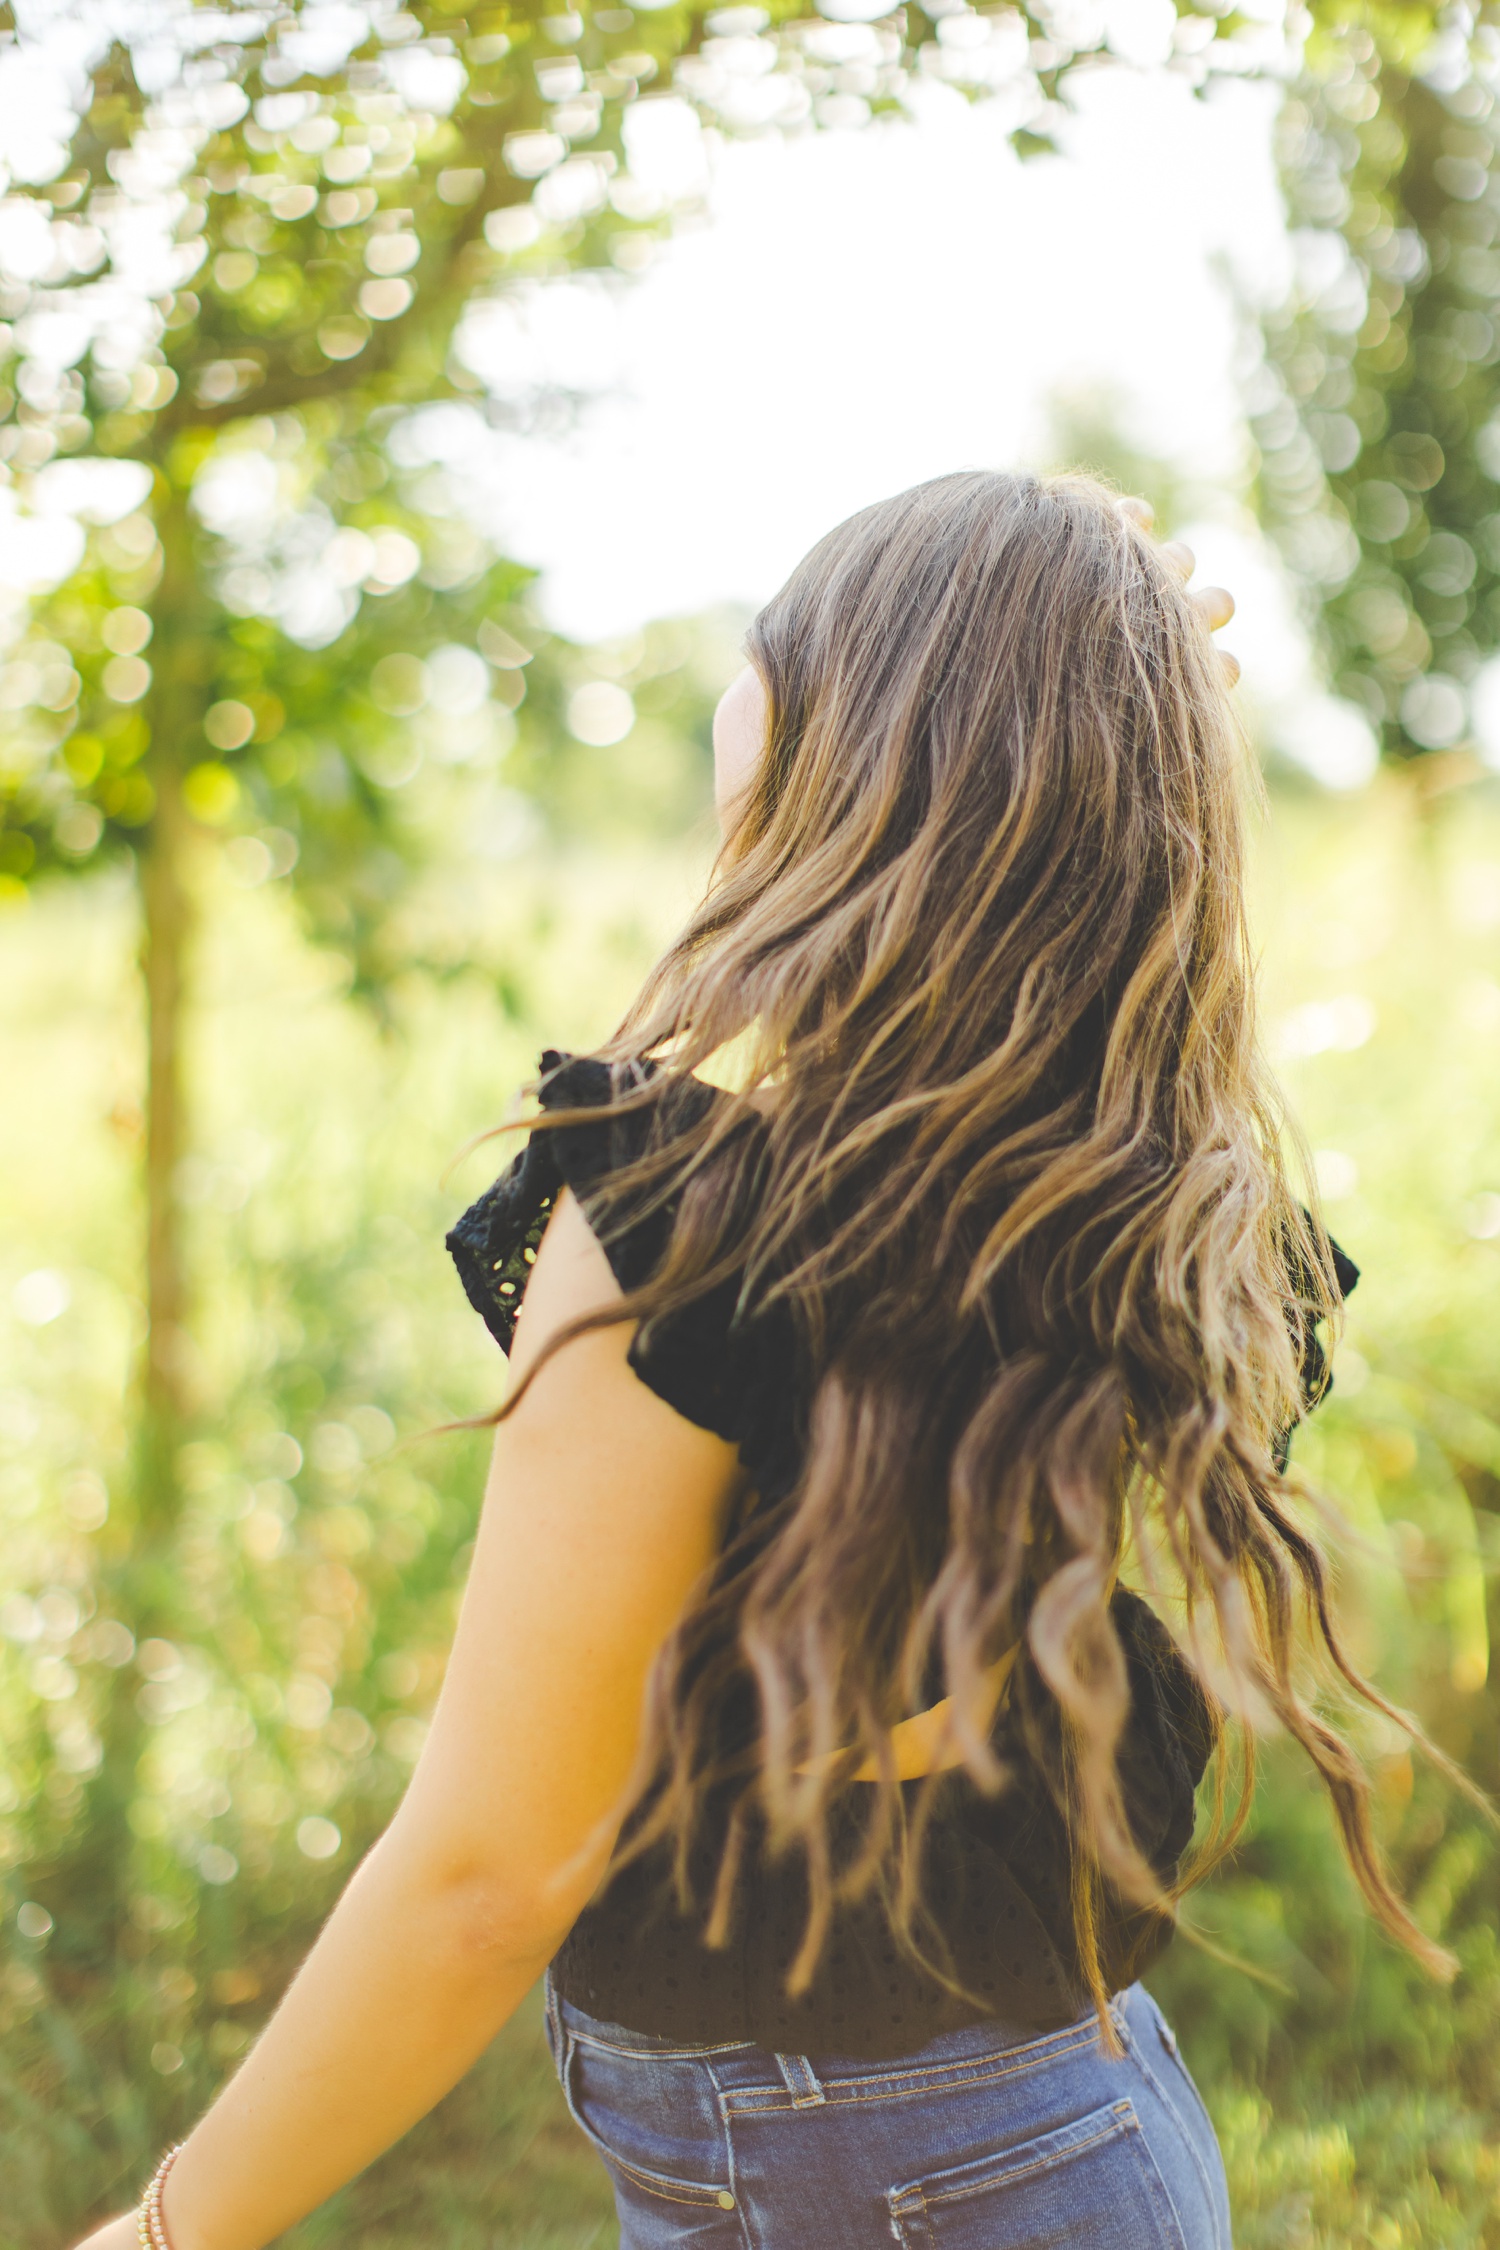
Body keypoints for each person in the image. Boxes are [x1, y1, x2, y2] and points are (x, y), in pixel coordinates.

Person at [77, 470, 1432, 2250]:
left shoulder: (681, 1223)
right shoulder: (1126, 1202)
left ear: (820, 737)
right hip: (1077, 2138)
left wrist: (167, 2230)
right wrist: (1098, 676)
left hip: (856, 2184)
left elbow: (491, 1874)